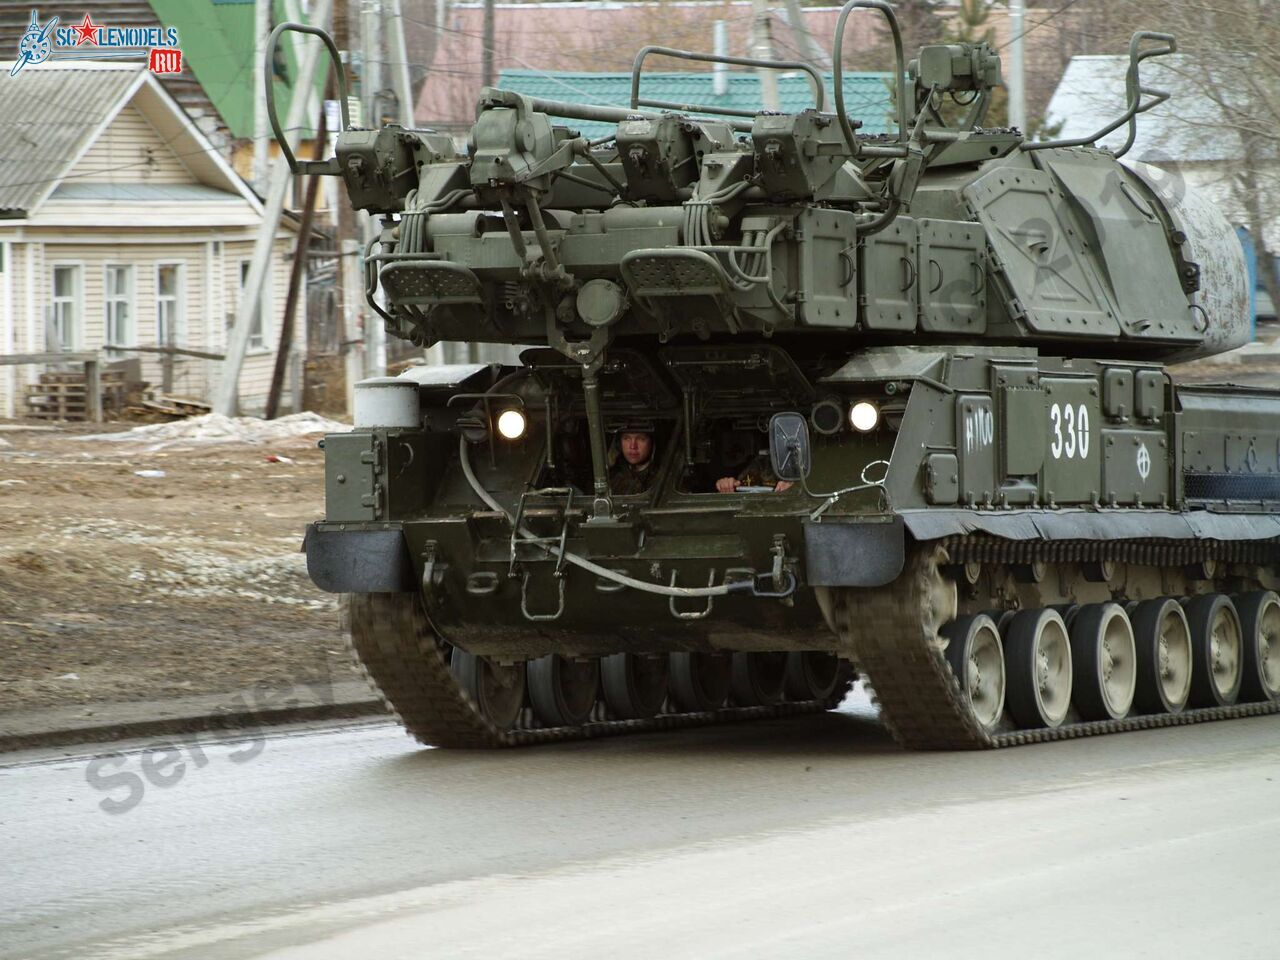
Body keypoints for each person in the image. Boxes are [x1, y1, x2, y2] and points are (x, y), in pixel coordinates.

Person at [715, 450, 793, 494]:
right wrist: (727, 485)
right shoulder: (763, 463)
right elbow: (741, 485)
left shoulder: (802, 467)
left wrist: (795, 487)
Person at [609, 429, 656, 495]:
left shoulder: (663, 478)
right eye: (627, 438)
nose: (633, 446)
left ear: (652, 443)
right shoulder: (611, 477)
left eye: (641, 439)